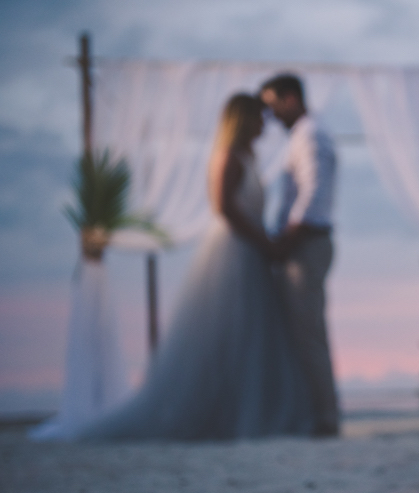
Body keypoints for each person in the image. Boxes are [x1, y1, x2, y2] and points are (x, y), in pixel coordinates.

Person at [51, 93, 313, 440]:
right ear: (243, 119)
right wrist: (264, 242)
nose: (264, 124)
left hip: (251, 252)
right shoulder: (229, 156)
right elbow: (225, 208)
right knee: (226, 333)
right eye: (258, 117)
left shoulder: (248, 156)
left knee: (251, 337)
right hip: (236, 251)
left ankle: (241, 414)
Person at [260, 74, 340, 437]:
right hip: (304, 243)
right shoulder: (304, 136)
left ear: (290, 99)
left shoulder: (310, 135)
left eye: (274, 105)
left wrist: (284, 243)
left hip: (306, 245)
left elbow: (313, 193)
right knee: (304, 332)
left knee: (309, 334)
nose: (272, 115)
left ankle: (325, 418)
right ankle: (317, 414)